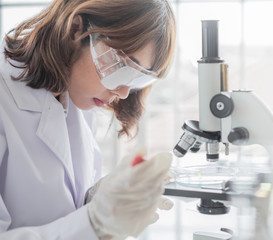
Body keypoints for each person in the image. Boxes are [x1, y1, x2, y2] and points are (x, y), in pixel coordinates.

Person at [0, 0, 176, 239]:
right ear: (75, 29)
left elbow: (64, 216)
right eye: (123, 66)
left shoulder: (76, 105)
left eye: (137, 79)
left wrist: (98, 201)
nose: (123, 92)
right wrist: (95, 223)